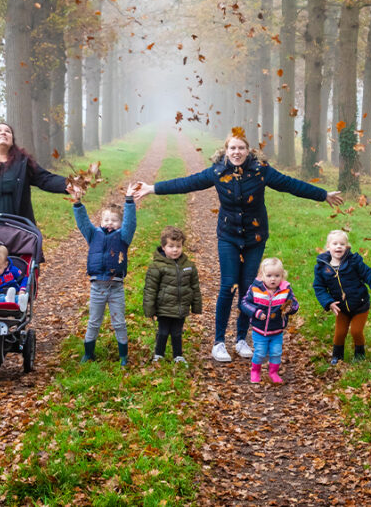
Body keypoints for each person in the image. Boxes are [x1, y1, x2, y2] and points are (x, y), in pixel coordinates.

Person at [133, 130, 342, 363]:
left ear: (248, 150)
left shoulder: (261, 171)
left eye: (241, 148)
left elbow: (290, 184)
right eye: (232, 148)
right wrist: (152, 188)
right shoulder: (217, 172)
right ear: (226, 150)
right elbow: (186, 183)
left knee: (247, 288)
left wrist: (323, 195)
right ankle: (219, 342)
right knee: (228, 285)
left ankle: (241, 339)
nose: (236, 152)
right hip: (229, 236)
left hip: (255, 237)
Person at [73, 184, 137, 366]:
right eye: (106, 219)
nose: (109, 223)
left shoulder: (123, 236)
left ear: (120, 223)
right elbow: (83, 222)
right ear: (101, 221)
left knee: (119, 322)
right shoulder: (93, 235)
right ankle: (88, 353)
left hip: (116, 287)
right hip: (97, 287)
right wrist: (77, 203)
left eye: (114, 220)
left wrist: (129, 201)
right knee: (93, 321)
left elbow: (130, 223)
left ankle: (123, 356)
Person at [313, 229, 371, 365]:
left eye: (342, 244)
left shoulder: (354, 262)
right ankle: (337, 356)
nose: (338, 247)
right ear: (328, 247)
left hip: (360, 305)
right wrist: (328, 302)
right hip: (340, 307)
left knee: (356, 331)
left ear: (347, 247)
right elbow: (319, 287)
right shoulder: (322, 268)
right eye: (335, 244)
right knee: (340, 332)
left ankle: (359, 354)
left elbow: (369, 275)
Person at [143, 226, 202, 364]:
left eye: (178, 246)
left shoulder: (189, 266)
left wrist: (196, 306)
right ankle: (159, 354)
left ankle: (178, 355)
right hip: (164, 307)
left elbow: (194, 287)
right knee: (163, 332)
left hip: (181, 307)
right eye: (171, 246)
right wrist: (149, 308)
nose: (175, 250)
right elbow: (150, 289)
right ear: (163, 247)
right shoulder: (156, 266)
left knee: (177, 332)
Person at [239, 258, 298, 384]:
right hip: (259, 330)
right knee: (260, 352)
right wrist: (256, 312)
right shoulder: (256, 289)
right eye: (269, 275)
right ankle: (255, 371)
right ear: (262, 275)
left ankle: (273, 373)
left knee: (276, 352)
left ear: (282, 276)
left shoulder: (285, 290)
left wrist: (290, 308)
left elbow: (295, 304)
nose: (273, 279)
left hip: (277, 330)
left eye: (277, 276)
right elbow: (244, 303)